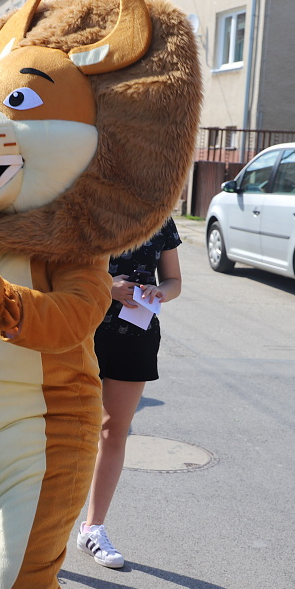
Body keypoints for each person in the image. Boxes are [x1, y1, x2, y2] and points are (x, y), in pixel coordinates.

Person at [77, 217, 183, 569]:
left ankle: (93, 528)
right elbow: (60, 270)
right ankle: (43, 530)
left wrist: (160, 292)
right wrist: (106, 285)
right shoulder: (91, 207)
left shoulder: (161, 219)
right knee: (66, 430)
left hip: (136, 335)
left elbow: (174, 280)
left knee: (114, 432)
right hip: (82, 330)